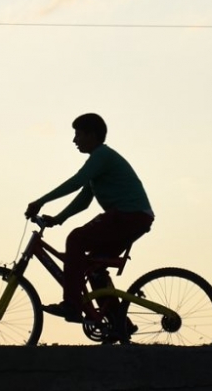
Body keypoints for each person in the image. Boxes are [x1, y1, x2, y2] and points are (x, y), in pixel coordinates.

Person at [25, 113, 154, 323]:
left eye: (78, 134)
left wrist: (41, 201)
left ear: (91, 135)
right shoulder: (100, 162)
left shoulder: (101, 156)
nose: (74, 140)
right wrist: (58, 218)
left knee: (75, 239)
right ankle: (118, 323)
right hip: (134, 218)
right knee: (94, 267)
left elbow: (76, 182)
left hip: (128, 216)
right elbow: (84, 199)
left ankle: (72, 306)